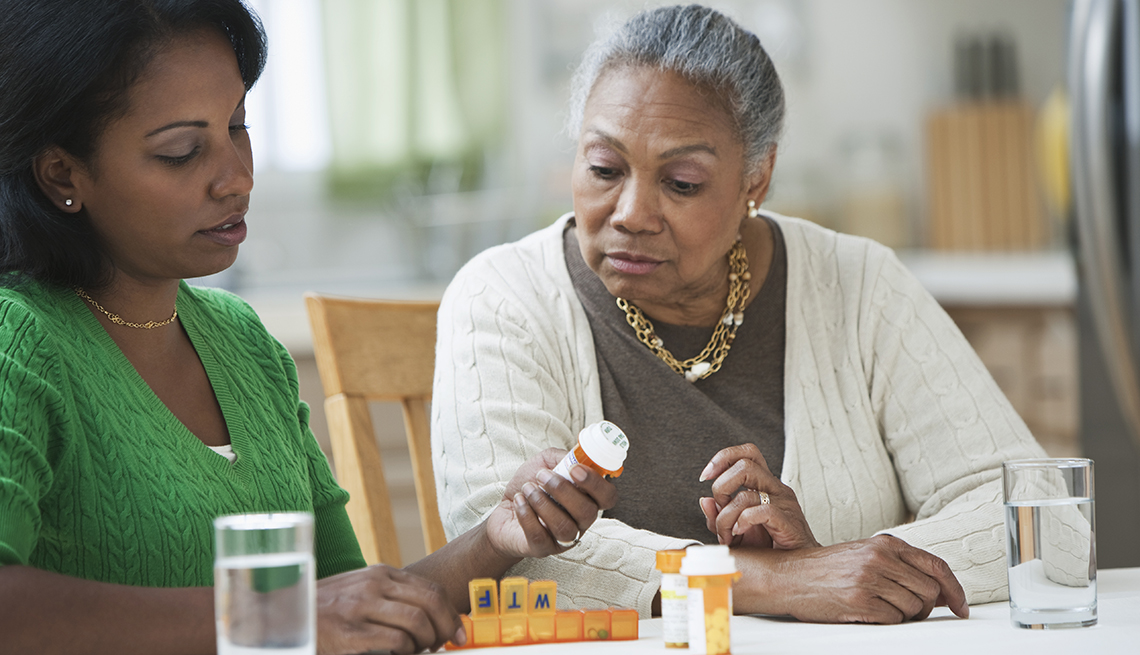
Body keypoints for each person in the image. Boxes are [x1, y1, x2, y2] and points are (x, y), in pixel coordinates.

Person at [0, 2, 615, 654]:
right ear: (63, 173)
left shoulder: (242, 343)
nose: (237, 175)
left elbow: (346, 600)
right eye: (182, 152)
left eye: (238, 125)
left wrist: (499, 534)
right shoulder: (20, 340)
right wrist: (269, 614)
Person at [432, 4, 1046, 624]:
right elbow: (504, 548)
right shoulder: (502, 296)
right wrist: (781, 582)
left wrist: (834, 566)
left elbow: (1041, 519)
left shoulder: (859, 285)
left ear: (759, 177)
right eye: (604, 169)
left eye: (683, 183)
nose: (631, 213)